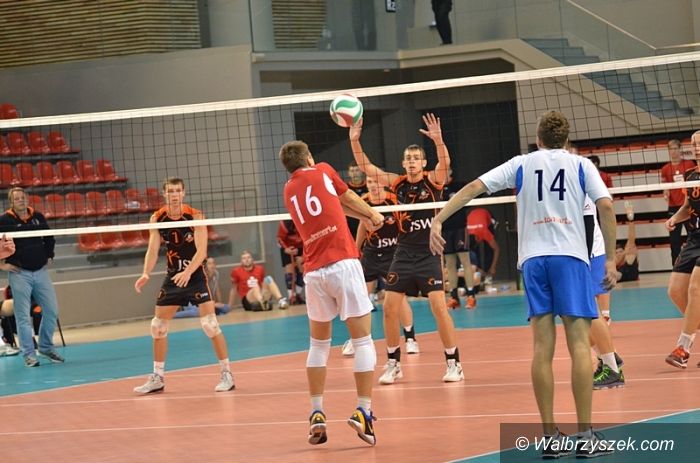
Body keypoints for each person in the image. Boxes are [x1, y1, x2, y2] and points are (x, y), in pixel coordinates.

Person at [429, 111, 617, 458]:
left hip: (533, 261)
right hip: (570, 258)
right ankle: (586, 437)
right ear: (566, 139)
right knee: (579, 346)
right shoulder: (581, 165)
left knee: (542, 349)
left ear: (538, 139)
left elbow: (473, 188)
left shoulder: (521, 164)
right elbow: (605, 207)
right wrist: (610, 259)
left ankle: (549, 438)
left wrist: (438, 219)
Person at [279, 140, 384, 446]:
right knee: (363, 341)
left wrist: (362, 217)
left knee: (318, 345)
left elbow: (334, 204)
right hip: (342, 264)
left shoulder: (288, 189)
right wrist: (373, 214)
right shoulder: (323, 170)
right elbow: (347, 195)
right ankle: (363, 411)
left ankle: (316, 412)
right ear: (310, 158)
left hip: (314, 273)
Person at [350, 113, 464, 384]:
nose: (412, 162)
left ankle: (454, 363)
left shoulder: (433, 182)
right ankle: (393, 363)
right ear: (403, 163)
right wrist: (354, 140)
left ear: (423, 163)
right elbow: (367, 167)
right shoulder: (397, 184)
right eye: (408, 158)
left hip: (428, 252)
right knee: (389, 307)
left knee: (439, 307)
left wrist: (438, 141)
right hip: (403, 253)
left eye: (416, 158)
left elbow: (445, 163)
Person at [133, 177, 234, 394]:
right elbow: (152, 249)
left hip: (195, 276)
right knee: (158, 326)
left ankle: (227, 374)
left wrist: (187, 273)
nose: (174, 195)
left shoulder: (195, 216)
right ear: (164, 194)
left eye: (178, 191)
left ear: (184, 193)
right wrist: (145, 273)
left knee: (210, 324)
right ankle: (158, 377)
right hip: (173, 277)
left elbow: (202, 251)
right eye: (170, 191)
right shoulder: (157, 218)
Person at [342, 175, 420, 357]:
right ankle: (356, 339)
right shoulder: (364, 201)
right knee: (360, 297)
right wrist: (355, 250)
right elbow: (362, 225)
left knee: (398, 298)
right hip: (371, 254)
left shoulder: (393, 200)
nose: (373, 186)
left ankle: (410, 338)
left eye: (376, 182)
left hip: (392, 254)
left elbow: (405, 223)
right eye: (370, 182)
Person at [0, 187, 63, 367]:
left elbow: (49, 237)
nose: (21, 200)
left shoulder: (38, 217)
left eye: (23, 197)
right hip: (20, 274)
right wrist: (1, 264)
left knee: (52, 311)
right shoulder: (4, 220)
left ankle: (45, 347)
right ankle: (28, 354)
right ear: (11, 202)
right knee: (22, 316)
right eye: (17, 198)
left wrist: (49, 255)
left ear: (27, 199)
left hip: (41, 272)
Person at [665, 130, 700, 369]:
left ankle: (683, 348)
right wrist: (675, 218)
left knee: (696, 288)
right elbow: (688, 206)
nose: (696, 147)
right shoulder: (691, 175)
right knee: (676, 291)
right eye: (694, 144)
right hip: (695, 237)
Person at [584, 197, 625, 389]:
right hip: (574, 251)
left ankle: (612, 367)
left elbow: (602, 210)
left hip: (587, 252)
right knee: (574, 314)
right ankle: (608, 358)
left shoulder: (579, 180)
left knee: (586, 309)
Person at [442, 169, 477, 309]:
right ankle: (454, 297)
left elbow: (476, 190)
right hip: (445, 230)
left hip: (460, 229)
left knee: (465, 262)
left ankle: (471, 295)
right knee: (449, 264)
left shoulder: (459, 185)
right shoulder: (437, 188)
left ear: (450, 171)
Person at [660, 139, 696, 264]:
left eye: (675, 148)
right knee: (674, 240)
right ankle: (676, 265)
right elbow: (664, 186)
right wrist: (665, 192)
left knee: (693, 236)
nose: (673, 151)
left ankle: (693, 263)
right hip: (673, 207)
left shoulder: (689, 164)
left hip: (688, 206)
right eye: (671, 149)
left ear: (680, 149)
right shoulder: (665, 168)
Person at [466, 208, 501, 283]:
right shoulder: (465, 234)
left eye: (478, 242)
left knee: (489, 248)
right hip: (473, 216)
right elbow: (464, 256)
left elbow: (496, 249)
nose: (480, 243)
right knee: (472, 253)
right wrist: (476, 268)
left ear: (477, 238)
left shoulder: (484, 232)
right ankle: (479, 274)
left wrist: (493, 267)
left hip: (486, 215)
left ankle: (488, 276)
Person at [277, 219, 305, 304]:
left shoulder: (305, 221)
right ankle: (291, 297)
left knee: (302, 269)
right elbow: (279, 238)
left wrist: (303, 257)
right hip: (287, 246)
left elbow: (309, 240)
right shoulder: (285, 223)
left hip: (302, 247)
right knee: (290, 270)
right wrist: (286, 249)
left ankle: (298, 294)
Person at [615, 203, 639, 283]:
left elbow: (631, 240)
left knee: (630, 249)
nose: (619, 254)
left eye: (620, 251)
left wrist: (631, 220)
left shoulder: (628, 256)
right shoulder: (614, 263)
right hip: (616, 276)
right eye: (616, 253)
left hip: (629, 274)